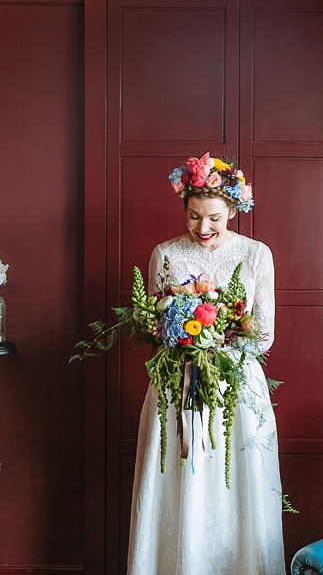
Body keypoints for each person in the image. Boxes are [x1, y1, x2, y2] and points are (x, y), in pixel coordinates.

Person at [127, 153, 283, 574]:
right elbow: (155, 324)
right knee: (178, 481)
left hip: (235, 385)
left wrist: (218, 340)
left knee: (237, 484)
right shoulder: (165, 254)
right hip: (178, 382)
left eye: (213, 217)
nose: (202, 228)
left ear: (233, 209)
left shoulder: (256, 255)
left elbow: (264, 334)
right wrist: (180, 339)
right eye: (194, 216)